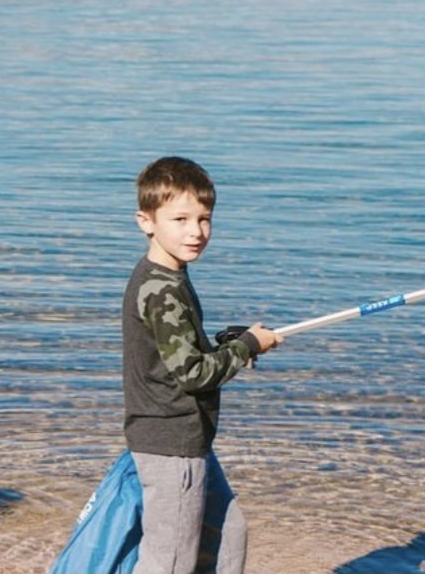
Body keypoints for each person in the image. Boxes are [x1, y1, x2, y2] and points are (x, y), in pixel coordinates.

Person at [123, 157, 280, 574]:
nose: (196, 231)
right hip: (172, 442)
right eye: (180, 219)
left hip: (186, 439)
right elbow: (193, 374)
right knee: (169, 560)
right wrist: (246, 347)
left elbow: (179, 354)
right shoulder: (161, 290)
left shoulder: (168, 276)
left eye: (204, 219)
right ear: (146, 221)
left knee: (227, 535)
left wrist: (233, 343)